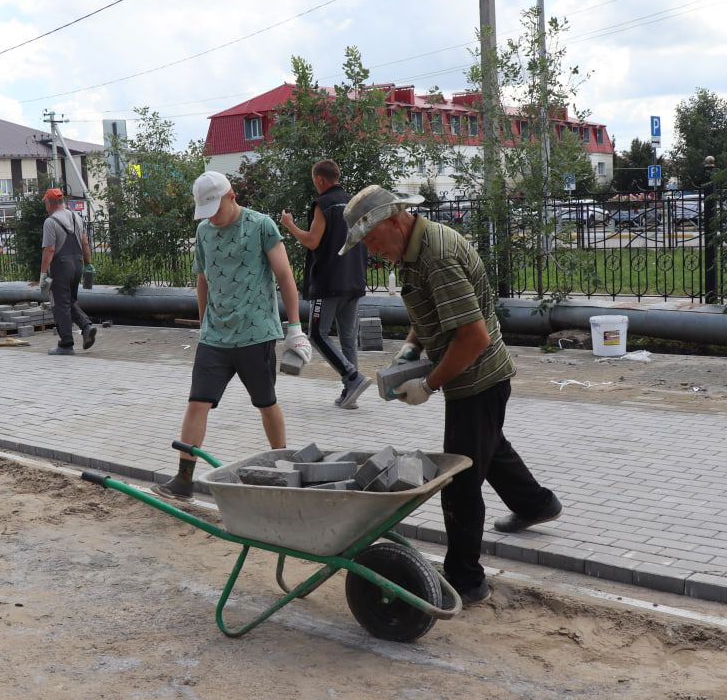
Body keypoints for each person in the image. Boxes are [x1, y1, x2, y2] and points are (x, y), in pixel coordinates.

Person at [339, 185, 563, 605]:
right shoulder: (412, 250)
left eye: (371, 238)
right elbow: (432, 314)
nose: (371, 250)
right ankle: (537, 504)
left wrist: (428, 384)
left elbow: (473, 336)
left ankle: (466, 580)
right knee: (488, 448)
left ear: (393, 219)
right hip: (475, 378)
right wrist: (412, 348)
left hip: (477, 379)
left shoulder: (436, 258)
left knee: (459, 483)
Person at [154, 170, 312, 501]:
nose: (213, 218)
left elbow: (284, 275)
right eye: (206, 212)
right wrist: (203, 325)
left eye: (217, 209)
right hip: (215, 337)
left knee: (266, 403)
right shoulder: (204, 231)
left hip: (256, 334)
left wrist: (294, 328)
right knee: (197, 402)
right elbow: (202, 279)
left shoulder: (260, 226)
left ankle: (282, 467)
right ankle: (184, 478)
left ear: (232, 196)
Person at [279, 159, 371, 410]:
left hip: (329, 281)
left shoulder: (324, 204)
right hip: (354, 280)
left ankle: (353, 378)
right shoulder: (355, 203)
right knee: (348, 339)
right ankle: (351, 393)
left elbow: (312, 241)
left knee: (317, 335)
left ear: (320, 179)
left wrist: (290, 225)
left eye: (313, 181)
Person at [36, 188, 96, 355]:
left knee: (60, 305)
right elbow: (84, 244)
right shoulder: (76, 217)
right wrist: (88, 264)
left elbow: (49, 250)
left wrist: (43, 274)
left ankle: (66, 344)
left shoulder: (50, 221)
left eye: (45, 203)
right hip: (77, 264)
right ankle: (86, 327)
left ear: (49, 203)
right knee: (69, 300)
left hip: (61, 267)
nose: (45, 207)